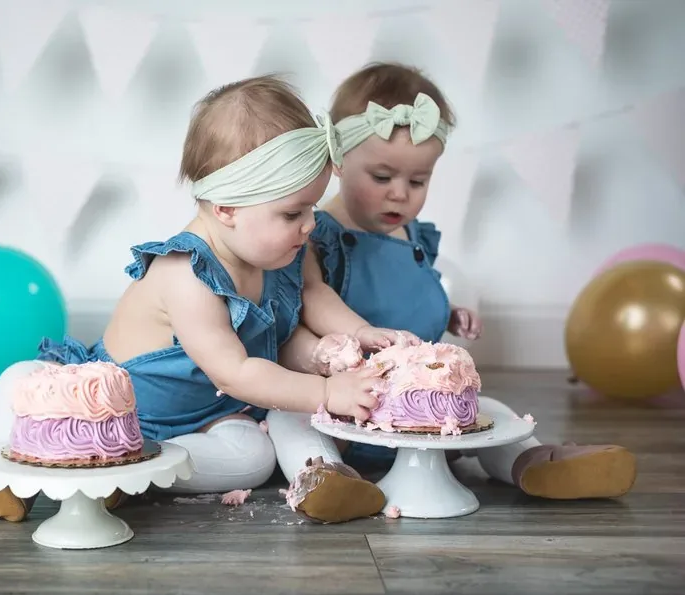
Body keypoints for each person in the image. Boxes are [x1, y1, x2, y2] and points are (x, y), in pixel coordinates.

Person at [0, 74, 414, 524]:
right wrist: (328, 392)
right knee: (17, 380)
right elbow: (233, 373)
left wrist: (357, 333)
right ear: (226, 208)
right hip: (110, 410)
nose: (310, 224)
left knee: (256, 455)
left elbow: (312, 293)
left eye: (311, 207)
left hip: (204, 422)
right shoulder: (186, 274)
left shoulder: (285, 250)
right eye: (293, 213)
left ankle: (321, 477)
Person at [267, 63, 637, 516]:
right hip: (345, 405)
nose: (400, 194)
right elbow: (312, 295)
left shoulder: (414, 236)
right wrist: (361, 332)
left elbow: (409, 295)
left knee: (493, 411)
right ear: (339, 161)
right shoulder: (315, 230)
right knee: (287, 418)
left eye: (417, 181)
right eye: (382, 178)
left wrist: (449, 312)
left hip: (420, 412)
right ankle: (328, 479)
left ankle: (536, 464)